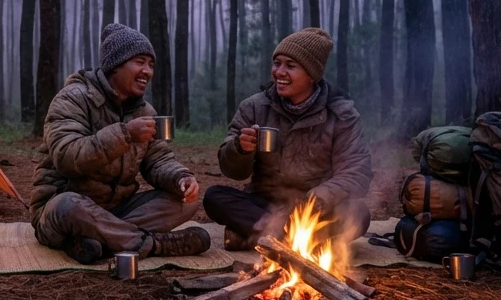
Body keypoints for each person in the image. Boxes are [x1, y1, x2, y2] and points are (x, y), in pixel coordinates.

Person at [30, 23, 211, 264]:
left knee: (186, 202)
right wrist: (124, 134)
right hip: (64, 209)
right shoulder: (72, 98)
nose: (147, 71)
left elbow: (158, 159)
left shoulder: (144, 110)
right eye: (140, 62)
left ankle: (97, 242)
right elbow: (67, 157)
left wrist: (180, 178)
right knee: (67, 205)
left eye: (151, 64)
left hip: (117, 209)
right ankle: (154, 245)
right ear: (115, 65)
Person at [203, 27, 373, 251]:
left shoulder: (341, 114)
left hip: (317, 207)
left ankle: (259, 236)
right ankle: (297, 240)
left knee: (359, 214)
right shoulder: (254, 107)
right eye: (277, 63)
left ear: (312, 74)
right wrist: (240, 149)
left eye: (290, 66)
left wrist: (316, 199)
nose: (279, 72)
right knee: (214, 197)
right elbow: (233, 171)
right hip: (265, 204)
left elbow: (356, 172)